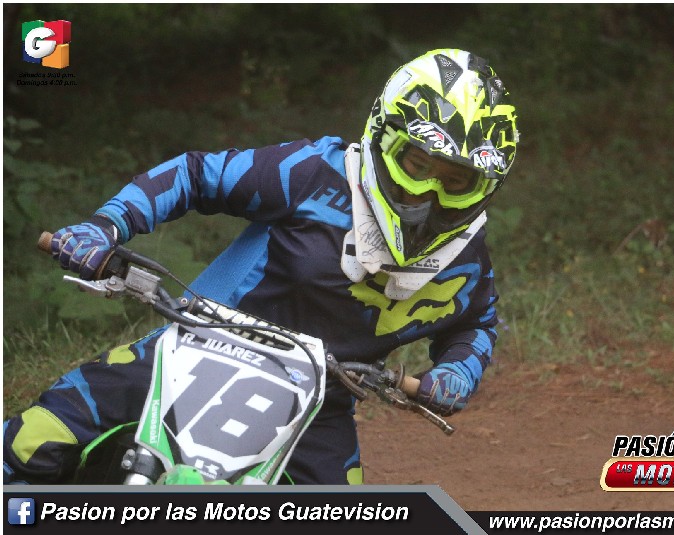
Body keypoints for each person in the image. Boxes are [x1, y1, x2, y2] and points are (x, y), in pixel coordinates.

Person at [3, 48, 519, 485]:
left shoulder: (466, 256)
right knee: (32, 441)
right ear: (383, 136)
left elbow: (476, 322)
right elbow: (195, 175)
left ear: (485, 186)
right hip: (191, 350)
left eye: (456, 181)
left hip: (318, 405)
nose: (428, 193)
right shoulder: (312, 173)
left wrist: (457, 371)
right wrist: (105, 226)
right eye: (417, 164)